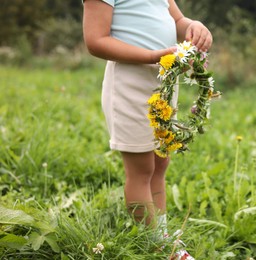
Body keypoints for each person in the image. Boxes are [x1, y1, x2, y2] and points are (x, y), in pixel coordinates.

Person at [82, 0, 212, 258]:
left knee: (160, 164)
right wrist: (153, 57)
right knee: (141, 169)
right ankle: (160, 247)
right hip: (130, 85)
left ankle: (160, 236)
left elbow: (177, 21)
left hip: (163, 84)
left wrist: (193, 26)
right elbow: (95, 41)